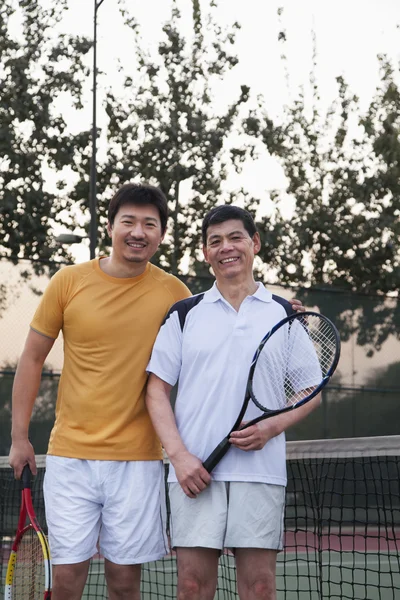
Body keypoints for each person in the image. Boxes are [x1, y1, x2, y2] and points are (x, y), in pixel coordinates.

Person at [8, 183, 192, 600]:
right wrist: (20, 438)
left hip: (138, 462)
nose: (138, 231)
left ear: (160, 235)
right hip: (71, 459)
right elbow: (33, 358)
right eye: (128, 221)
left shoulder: (175, 294)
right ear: (110, 227)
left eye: (150, 223)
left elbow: (222, 323)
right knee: (68, 579)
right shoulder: (68, 281)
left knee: (125, 583)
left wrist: (275, 307)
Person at [145, 205, 320, 600]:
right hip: (194, 475)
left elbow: (310, 389)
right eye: (215, 241)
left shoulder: (283, 314)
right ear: (206, 254)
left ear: (254, 243)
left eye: (236, 237)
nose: (227, 248)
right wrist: (180, 457)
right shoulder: (184, 314)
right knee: (192, 587)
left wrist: (272, 427)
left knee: (259, 588)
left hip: (261, 473)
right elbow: (156, 390)